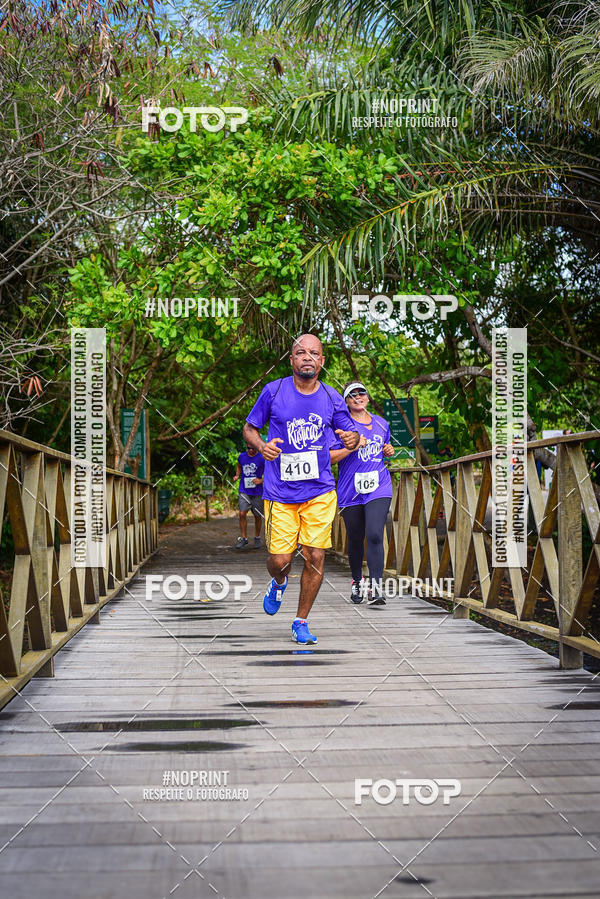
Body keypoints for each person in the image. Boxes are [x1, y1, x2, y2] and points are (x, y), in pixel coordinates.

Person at [243, 334, 360, 644]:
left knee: (314, 556)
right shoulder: (274, 391)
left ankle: (301, 620)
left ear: (322, 361)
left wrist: (353, 440)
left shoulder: (333, 397)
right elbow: (250, 428)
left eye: (314, 353)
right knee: (280, 560)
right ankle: (278, 582)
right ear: (291, 360)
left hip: (320, 491)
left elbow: (349, 435)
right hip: (280, 491)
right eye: (300, 352)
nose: (307, 357)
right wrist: (262, 446)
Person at [330, 382, 394, 605]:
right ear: (346, 401)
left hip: (379, 485)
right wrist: (352, 446)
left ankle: (376, 589)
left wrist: (389, 451)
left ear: (367, 397)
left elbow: (385, 452)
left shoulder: (381, 423)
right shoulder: (341, 425)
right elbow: (329, 458)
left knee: (375, 533)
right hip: (351, 489)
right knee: (356, 538)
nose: (358, 396)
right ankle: (358, 582)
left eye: (362, 392)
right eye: (352, 394)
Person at [234, 444, 264, 549]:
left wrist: (261, 480)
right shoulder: (242, 456)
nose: (250, 450)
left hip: (257, 491)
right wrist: (237, 475)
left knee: (257, 515)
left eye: (253, 448)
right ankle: (244, 538)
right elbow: (238, 465)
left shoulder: (261, 458)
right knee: (242, 513)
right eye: (248, 448)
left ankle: (257, 537)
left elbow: (270, 472)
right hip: (244, 490)